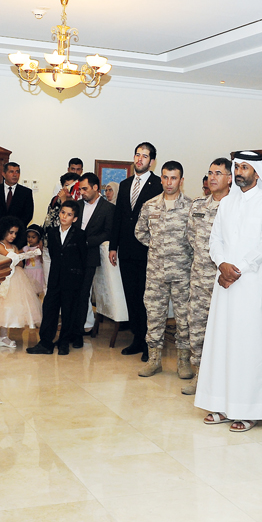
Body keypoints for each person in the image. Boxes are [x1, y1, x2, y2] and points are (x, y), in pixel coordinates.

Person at [195, 151, 262, 433]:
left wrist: (237, 270)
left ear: (257, 173)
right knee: (223, 342)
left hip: (253, 285)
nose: (239, 172)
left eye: (245, 167)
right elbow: (215, 240)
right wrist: (222, 265)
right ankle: (221, 404)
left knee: (249, 346)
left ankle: (249, 410)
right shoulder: (227, 202)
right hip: (226, 282)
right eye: (236, 167)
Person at [135, 161, 194, 378]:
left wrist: (179, 252)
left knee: (184, 319)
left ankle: (183, 362)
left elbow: (196, 237)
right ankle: (154, 360)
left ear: (181, 180)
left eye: (174, 178)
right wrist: (158, 247)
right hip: (156, 273)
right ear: (161, 178)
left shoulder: (191, 207)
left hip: (182, 273)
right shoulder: (150, 205)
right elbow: (140, 232)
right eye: (166, 177)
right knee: (154, 316)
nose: (169, 182)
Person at [109, 143, 163, 361]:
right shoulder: (125, 184)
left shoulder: (158, 185)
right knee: (131, 296)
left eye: (145, 156)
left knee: (147, 299)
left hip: (148, 251)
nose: (140, 159)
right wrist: (113, 246)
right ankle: (137, 339)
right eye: (137, 155)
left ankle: (151, 344)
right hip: (126, 250)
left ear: (152, 161)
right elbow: (119, 218)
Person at [183, 158, 231, 396]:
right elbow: (191, 238)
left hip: (226, 281)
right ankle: (200, 377)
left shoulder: (237, 206)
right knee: (198, 328)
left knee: (225, 332)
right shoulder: (198, 205)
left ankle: (224, 381)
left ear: (230, 178)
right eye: (210, 173)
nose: (213, 177)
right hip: (200, 279)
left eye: (218, 173)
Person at [27, 201, 88, 356]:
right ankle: (45, 343)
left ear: (75, 218)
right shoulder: (52, 233)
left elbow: (83, 259)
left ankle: (64, 342)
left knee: (68, 311)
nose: (64, 216)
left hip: (72, 280)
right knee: (49, 309)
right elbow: (53, 254)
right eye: (62, 212)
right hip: (55, 278)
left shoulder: (80, 235)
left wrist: (78, 279)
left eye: (69, 214)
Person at [0, 217, 42, 350]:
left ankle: (3, 336)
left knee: (8, 308)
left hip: (14, 278)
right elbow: (10, 258)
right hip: (0, 279)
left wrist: (21, 257)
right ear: (3, 231)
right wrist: (25, 255)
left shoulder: (14, 247)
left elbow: (19, 263)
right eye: (11, 232)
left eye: (15, 233)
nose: (13, 236)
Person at [74, 172, 115, 346]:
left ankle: (78, 331)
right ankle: (69, 328)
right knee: (71, 292)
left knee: (83, 294)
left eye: (85, 189)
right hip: (72, 254)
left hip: (90, 255)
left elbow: (108, 232)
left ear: (96, 187)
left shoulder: (108, 208)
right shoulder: (76, 205)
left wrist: (88, 241)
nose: (82, 192)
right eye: (80, 189)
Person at [0, 161, 34, 229]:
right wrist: (0, 228)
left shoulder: (26, 193)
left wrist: (14, 229)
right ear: (3, 174)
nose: (15, 175)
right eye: (11, 172)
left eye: (17, 172)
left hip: (17, 231)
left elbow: (28, 215)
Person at [22, 224, 46, 295]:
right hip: (27, 271)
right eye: (28, 237)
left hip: (37, 272)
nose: (30, 239)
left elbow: (42, 260)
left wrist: (40, 251)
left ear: (38, 238)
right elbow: (18, 254)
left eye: (33, 237)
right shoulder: (26, 248)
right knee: (28, 291)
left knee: (36, 291)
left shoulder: (39, 248)